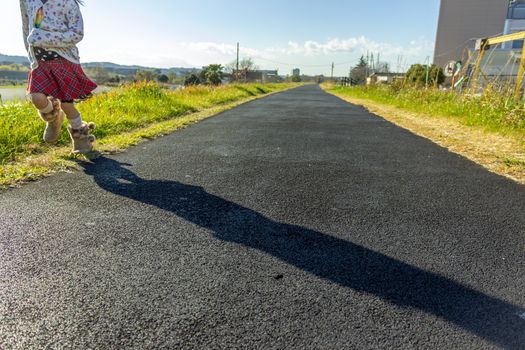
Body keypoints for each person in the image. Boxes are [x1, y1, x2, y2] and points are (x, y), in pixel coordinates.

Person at [19, 0, 96, 154]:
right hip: (39, 60)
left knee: (67, 105)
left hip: (63, 60)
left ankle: (80, 138)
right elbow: (26, 26)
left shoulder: (67, 2)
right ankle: (54, 116)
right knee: (37, 98)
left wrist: (45, 38)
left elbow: (77, 33)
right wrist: (29, 52)